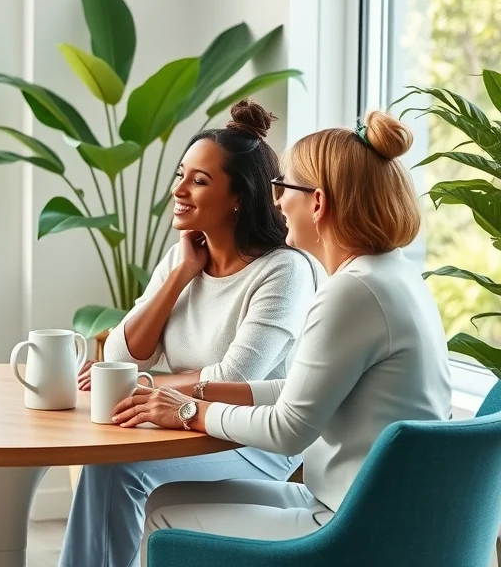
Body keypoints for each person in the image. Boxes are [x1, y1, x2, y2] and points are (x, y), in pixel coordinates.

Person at [129, 110, 453, 564]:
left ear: (317, 202)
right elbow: (306, 390)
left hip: (355, 524)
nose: (276, 202)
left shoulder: (352, 292)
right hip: (386, 508)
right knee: (162, 500)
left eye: (284, 189)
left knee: (165, 520)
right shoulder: (392, 275)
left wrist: (188, 411)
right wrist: (203, 390)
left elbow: (287, 429)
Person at [60, 100, 320, 567]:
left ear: (239, 196)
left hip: (252, 442)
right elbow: (122, 353)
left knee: (115, 471)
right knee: (106, 465)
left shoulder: (283, 271)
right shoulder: (182, 257)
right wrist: (181, 275)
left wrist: (145, 388)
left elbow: (234, 378)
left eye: (199, 180)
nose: (179, 189)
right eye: (182, 174)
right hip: (182, 425)